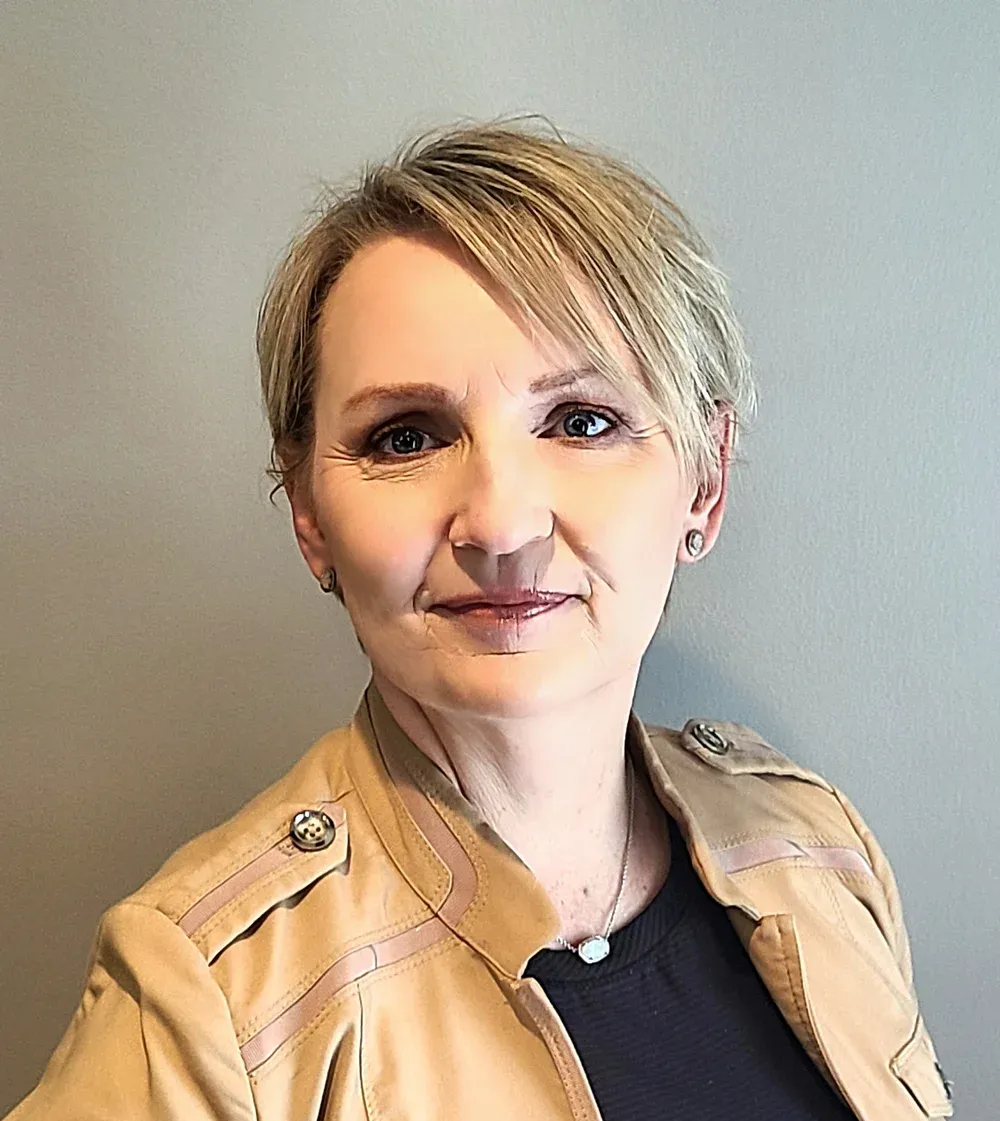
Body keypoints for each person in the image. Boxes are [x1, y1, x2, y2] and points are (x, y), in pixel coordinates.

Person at [6, 118, 953, 1121]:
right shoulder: (200, 1004)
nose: (502, 523)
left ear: (704, 483)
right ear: (309, 514)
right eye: (405, 435)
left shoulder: (817, 841)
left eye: (581, 420)